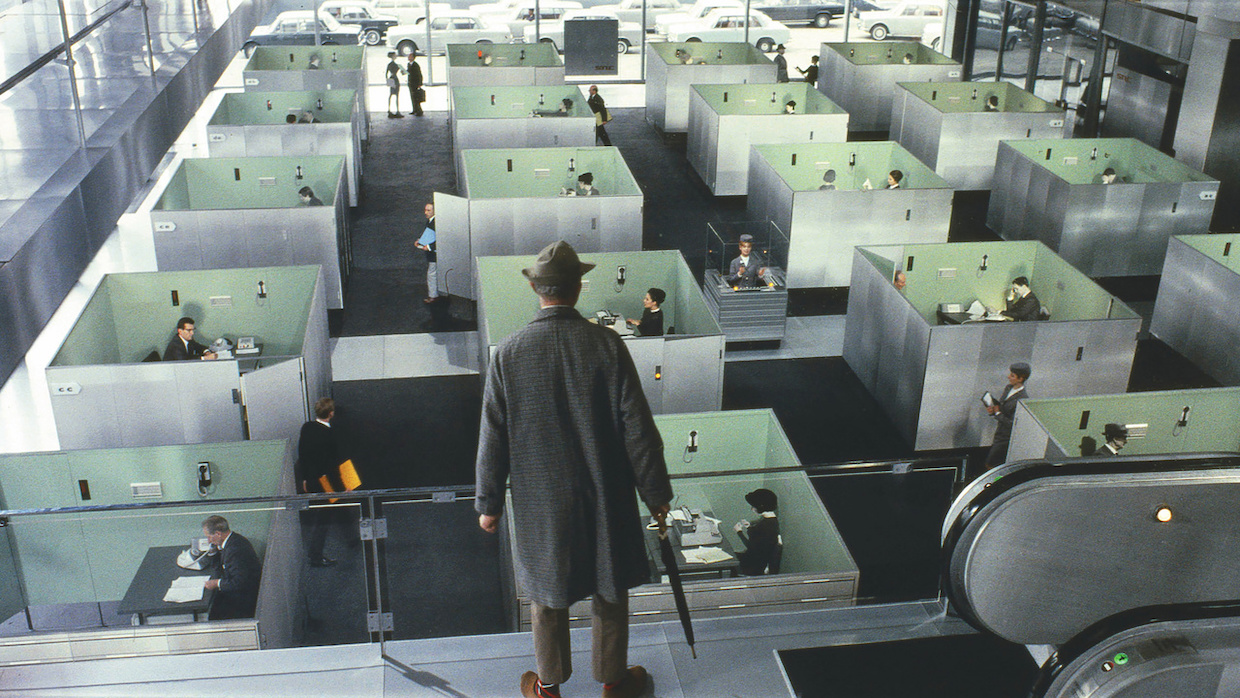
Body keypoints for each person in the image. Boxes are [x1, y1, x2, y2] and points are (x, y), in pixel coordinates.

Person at [475, 240, 672, 698]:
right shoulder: (607, 345)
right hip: (605, 493)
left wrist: (488, 504)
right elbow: (638, 429)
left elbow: (493, 437)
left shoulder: (508, 353)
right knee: (610, 589)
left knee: (547, 594)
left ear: (535, 289)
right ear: (578, 287)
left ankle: (548, 688)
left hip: (542, 502)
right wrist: (656, 493)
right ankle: (613, 684)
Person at [297, 397, 342, 568]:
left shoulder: (307, 427)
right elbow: (332, 465)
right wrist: (341, 486)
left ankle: (315, 553)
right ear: (331, 413)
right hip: (326, 483)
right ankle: (315, 555)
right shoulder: (330, 435)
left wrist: (305, 479)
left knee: (320, 518)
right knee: (323, 520)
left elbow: (303, 455)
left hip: (312, 481)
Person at [201, 515, 262, 620]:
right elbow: (220, 568)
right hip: (238, 591)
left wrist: (216, 583)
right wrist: (213, 553)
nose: (208, 541)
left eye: (209, 537)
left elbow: (238, 582)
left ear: (218, 534)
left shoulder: (235, 550)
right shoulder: (232, 541)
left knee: (213, 616)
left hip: (244, 599)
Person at [984, 362, 1031, 467]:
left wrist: (997, 413)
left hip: (1005, 438)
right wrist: (993, 410)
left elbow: (1013, 424)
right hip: (999, 434)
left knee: (991, 464)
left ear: (1021, 378)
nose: (1009, 377)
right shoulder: (1008, 388)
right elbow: (1002, 406)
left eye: (1012, 375)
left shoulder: (1022, 399)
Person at [734, 488, 780, 576]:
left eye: (754, 507)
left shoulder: (766, 525)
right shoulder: (771, 521)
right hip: (757, 560)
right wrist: (748, 527)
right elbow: (757, 537)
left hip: (754, 565)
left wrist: (739, 532)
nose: (752, 509)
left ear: (761, 507)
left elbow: (751, 546)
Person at [416, 202, 440, 303]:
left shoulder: (434, 223)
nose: (426, 212)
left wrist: (429, 247)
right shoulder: (432, 221)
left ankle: (433, 295)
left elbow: (439, 238)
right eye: (426, 210)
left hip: (434, 254)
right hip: (435, 253)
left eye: (428, 210)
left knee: (431, 274)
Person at [386, 51, 405, 118]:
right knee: (396, 95)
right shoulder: (396, 65)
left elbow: (386, 74)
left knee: (391, 94)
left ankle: (389, 110)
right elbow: (404, 72)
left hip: (391, 79)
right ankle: (397, 111)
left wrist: (388, 81)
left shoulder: (389, 64)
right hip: (395, 79)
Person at [406, 52, 424, 117]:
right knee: (412, 97)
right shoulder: (408, 64)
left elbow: (419, 74)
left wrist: (420, 83)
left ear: (413, 58)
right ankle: (414, 109)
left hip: (415, 83)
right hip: (410, 83)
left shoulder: (416, 65)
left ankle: (419, 111)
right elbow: (408, 72)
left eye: (410, 56)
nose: (408, 57)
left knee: (416, 97)